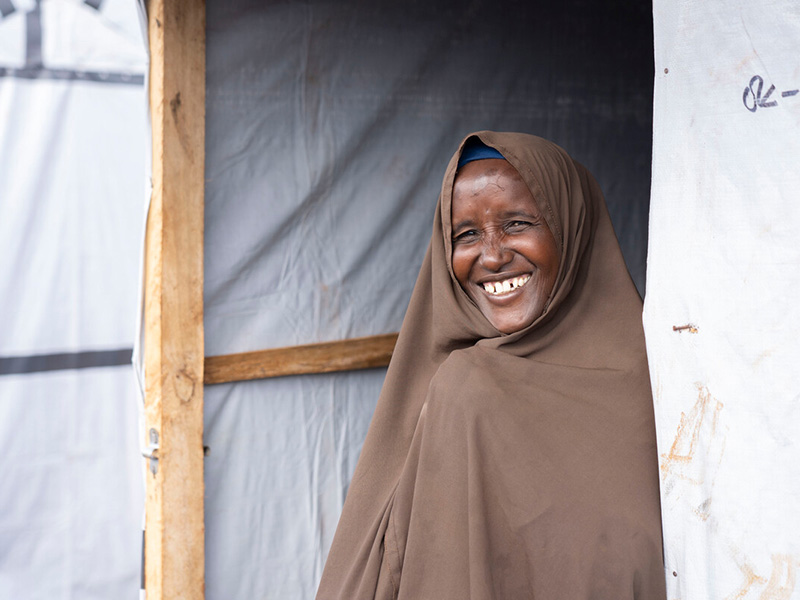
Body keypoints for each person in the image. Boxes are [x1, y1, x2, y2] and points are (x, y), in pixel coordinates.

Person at [316, 131, 666, 599]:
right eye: (467, 235)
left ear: (571, 226)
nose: (494, 255)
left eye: (518, 223)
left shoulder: (664, 388)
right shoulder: (463, 392)